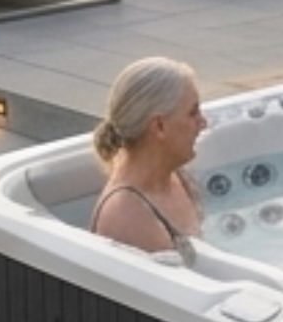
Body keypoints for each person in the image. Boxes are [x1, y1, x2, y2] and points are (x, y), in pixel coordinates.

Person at [87, 57, 208, 257]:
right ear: (159, 126)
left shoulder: (174, 175)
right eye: (192, 113)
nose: (203, 123)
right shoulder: (127, 216)